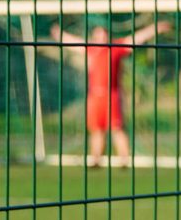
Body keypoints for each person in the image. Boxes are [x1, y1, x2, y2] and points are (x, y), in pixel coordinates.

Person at [50, 16, 171, 166]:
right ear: (94, 36)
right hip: (94, 95)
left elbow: (135, 38)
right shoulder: (91, 49)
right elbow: (74, 43)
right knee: (96, 129)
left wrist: (154, 29)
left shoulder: (115, 48)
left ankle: (124, 160)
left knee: (117, 128)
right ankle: (95, 159)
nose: (102, 37)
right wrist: (59, 35)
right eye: (99, 34)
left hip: (111, 95)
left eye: (104, 33)